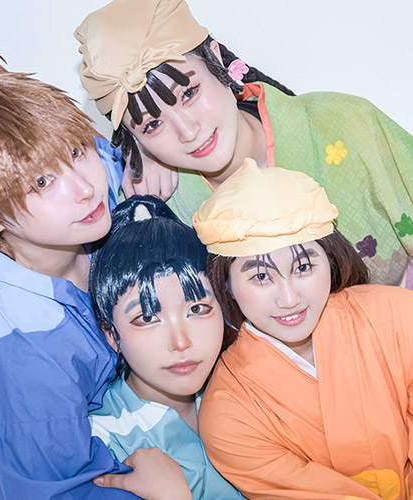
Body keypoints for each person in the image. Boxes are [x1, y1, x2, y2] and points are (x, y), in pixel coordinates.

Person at [0, 30, 189, 500]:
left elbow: (106, 154)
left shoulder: (85, 199)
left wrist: (148, 150)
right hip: (20, 457)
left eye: (75, 151)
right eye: (41, 183)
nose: (84, 187)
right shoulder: (19, 354)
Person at [75, 0, 413, 288]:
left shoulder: (344, 121)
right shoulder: (159, 212)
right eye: (153, 124)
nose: (188, 131)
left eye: (189, 93)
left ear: (217, 60)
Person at [191, 158, 413, 499]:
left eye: (304, 266)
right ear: (226, 284)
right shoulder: (228, 414)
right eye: (261, 276)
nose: (289, 298)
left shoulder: (399, 317)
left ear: (331, 260)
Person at [87, 195, 246, 499]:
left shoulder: (250, 384)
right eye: (147, 317)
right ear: (111, 334)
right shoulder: (102, 441)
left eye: (197, 309)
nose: (181, 342)